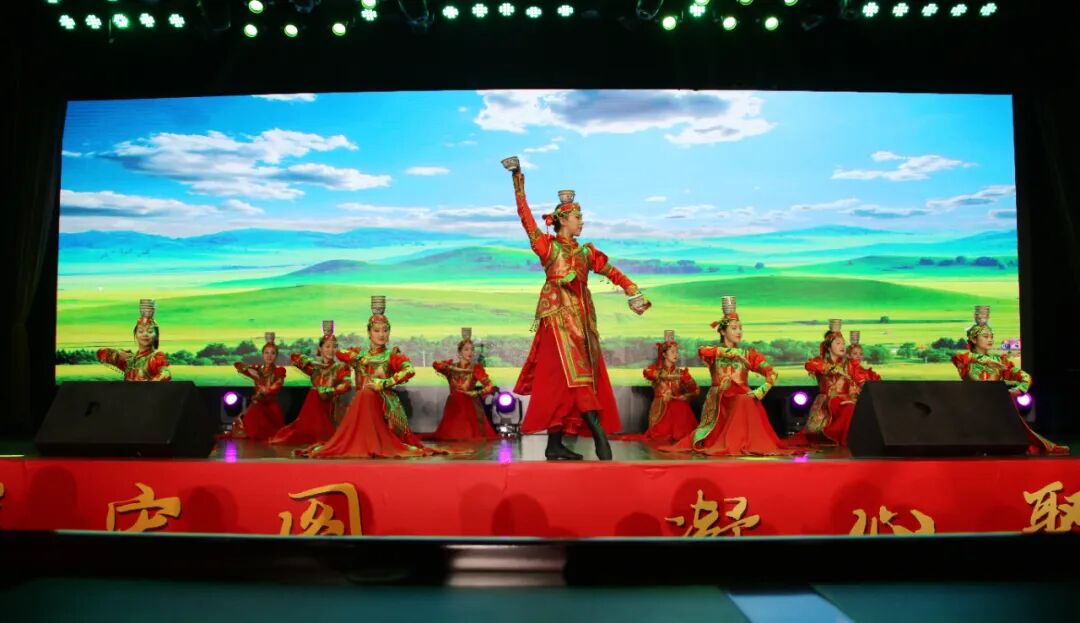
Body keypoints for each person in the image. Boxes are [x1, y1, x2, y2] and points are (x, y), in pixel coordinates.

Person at [503, 156, 651, 461]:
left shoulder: (586, 252)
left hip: (583, 323)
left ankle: (554, 444)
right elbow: (526, 219)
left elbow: (611, 271)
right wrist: (517, 179)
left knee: (568, 382)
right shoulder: (548, 247)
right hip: (557, 322)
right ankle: (599, 436)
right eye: (577, 217)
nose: (581, 222)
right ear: (562, 220)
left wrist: (631, 289)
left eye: (581, 217)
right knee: (573, 379)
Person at [306, 296, 444, 458]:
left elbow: (409, 370)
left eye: (385, 330)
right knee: (364, 394)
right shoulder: (360, 354)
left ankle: (372, 442)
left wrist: (385, 382)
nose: (381, 334)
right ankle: (363, 442)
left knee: (366, 393)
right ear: (369, 333)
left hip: (385, 404)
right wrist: (359, 359)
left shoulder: (391, 355)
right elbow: (340, 353)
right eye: (377, 330)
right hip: (363, 404)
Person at [662, 296, 795, 456]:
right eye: (734, 328)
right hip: (720, 401)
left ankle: (742, 441)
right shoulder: (714, 353)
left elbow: (771, 373)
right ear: (723, 331)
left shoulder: (749, 354)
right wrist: (732, 354)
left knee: (744, 400)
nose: (739, 332)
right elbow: (702, 351)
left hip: (740, 399)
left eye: (740, 328)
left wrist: (761, 390)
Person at [952, 305, 1068, 455]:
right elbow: (962, 357)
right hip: (972, 406)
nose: (990, 339)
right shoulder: (965, 360)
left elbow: (1025, 377)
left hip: (996, 407)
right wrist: (986, 361)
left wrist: (1020, 389)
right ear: (974, 339)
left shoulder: (1001, 361)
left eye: (991, 336)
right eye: (985, 336)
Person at [270, 321, 350, 446]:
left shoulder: (340, 368)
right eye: (327, 347)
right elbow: (294, 357)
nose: (331, 350)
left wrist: (328, 391)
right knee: (313, 393)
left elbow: (347, 385)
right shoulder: (315, 368)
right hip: (313, 408)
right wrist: (315, 363)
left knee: (315, 394)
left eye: (334, 347)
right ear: (320, 349)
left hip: (329, 406)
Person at [802, 322, 878, 447]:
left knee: (854, 407)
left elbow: (862, 376)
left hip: (845, 399)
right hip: (827, 401)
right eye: (838, 343)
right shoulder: (821, 361)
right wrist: (830, 368)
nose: (842, 346)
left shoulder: (849, 364)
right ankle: (838, 436)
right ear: (828, 347)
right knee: (848, 408)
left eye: (843, 343)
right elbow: (809, 365)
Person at [429, 327, 498, 441]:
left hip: (468, 405)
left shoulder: (475, 368)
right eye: (466, 349)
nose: (470, 352)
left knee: (467, 438)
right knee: (451, 440)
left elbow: (489, 386)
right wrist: (455, 369)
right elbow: (436, 365)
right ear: (460, 351)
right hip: (454, 406)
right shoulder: (451, 367)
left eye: (472, 349)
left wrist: (475, 393)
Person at [640, 330, 700, 443]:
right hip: (661, 407)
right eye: (672, 352)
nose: (676, 354)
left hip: (678, 406)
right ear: (664, 354)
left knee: (679, 405)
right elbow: (647, 373)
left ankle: (680, 434)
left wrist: (687, 395)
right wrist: (668, 376)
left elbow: (696, 390)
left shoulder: (682, 373)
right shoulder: (655, 370)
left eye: (677, 352)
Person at [96, 298, 172, 382]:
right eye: (140, 331)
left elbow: (166, 373)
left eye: (150, 331)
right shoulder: (130, 360)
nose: (145, 334)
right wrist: (119, 354)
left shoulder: (154, 359)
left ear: (156, 336)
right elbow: (101, 353)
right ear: (135, 335)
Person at [230, 331, 286, 441]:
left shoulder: (279, 371)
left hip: (271, 408)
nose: (269, 356)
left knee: (271, 435)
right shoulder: (258, 369)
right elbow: (238, 365)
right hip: (257, 406)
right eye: (266, 353)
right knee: (250, 432)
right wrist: (250, 370)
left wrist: (265, 391)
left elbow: (276, 387)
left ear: (276, 355)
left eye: (272, 353)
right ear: (263, 354)